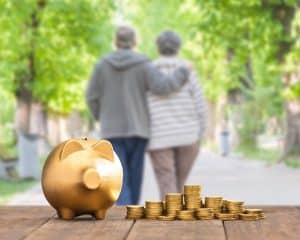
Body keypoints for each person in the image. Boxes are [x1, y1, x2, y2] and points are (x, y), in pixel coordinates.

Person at [86, 26, 189, 205]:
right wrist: (182, 72)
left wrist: (101, 116)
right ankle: (129, 213)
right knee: (134, 178)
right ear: (134, 42)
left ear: (116, 42)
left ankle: (123, 214)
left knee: (119, 176)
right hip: (138, 129)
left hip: (112, 130)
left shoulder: (102, 65)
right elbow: (163, 87)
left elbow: (91, 96)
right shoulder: (143, 64)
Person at [148, 31, 207, 199]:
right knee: (178, 184)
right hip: (188, 136)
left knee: (167, 184)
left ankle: (169, 222)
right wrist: (199, 134)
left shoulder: (148, 73)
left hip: (159, 137)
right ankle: (177, 219)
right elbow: (200, 105)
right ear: (178, 48)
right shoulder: (189, 72)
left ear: (158, 48)